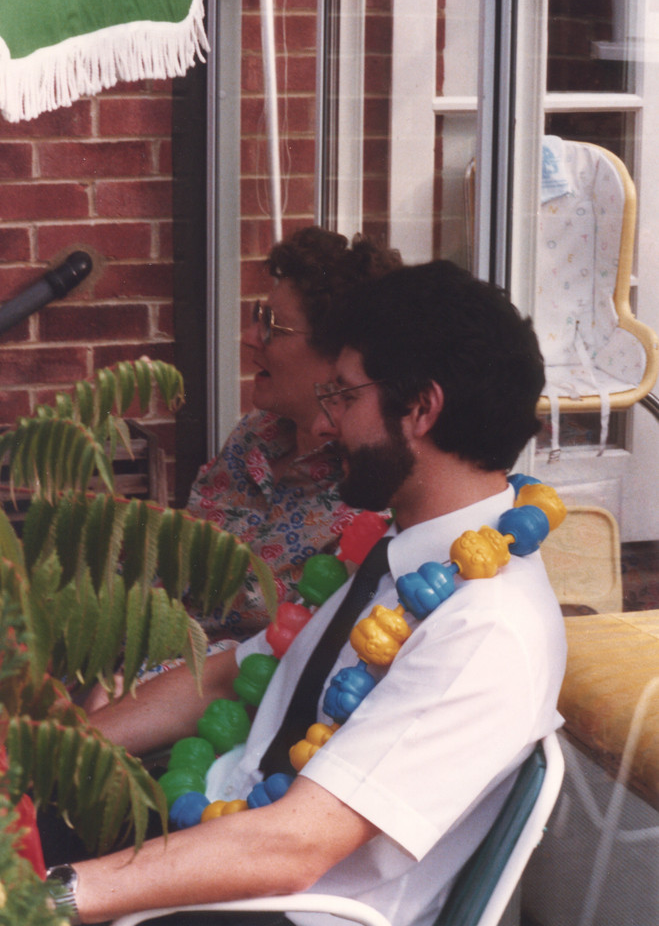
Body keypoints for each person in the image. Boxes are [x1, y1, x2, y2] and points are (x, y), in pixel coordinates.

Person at [51, 259, 567, 926]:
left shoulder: (485, 627)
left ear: (420, 409)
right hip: (214, 837)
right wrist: (53, 751)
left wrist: (49, 896)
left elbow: (296, 845)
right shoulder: (402, 551)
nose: (325, 426)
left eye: (345, 397)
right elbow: (224, 678)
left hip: (270, 904)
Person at [182, 226, 401, 644]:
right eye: (256, 317)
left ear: (340, 356)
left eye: (271, 325)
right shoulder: (256, 434)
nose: (249, 338)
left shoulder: (369, 490)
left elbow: (297, 653)